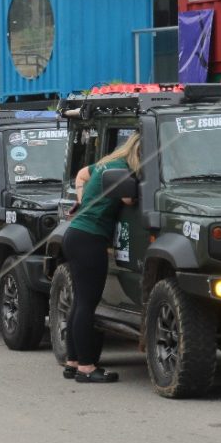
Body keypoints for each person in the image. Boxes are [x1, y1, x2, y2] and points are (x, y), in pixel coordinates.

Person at [62, 133, 141, 383]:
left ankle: (73, 362)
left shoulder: (110, 164)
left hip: (76, 234)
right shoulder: (123, 170)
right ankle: (86, 368)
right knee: (87, 303)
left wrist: (82, 200)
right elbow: (129, 199)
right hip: (90, 237)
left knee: (79, 301)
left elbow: (82, 174)